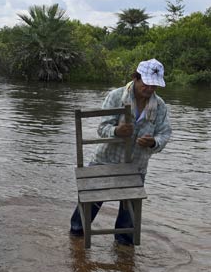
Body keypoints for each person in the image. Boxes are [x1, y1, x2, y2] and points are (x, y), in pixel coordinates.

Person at [70, 58, 172, 245]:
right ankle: (75, 240)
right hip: (105, 160)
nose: (149, 89)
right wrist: (117, 131)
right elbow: (102, 128)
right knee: (87, 207)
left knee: (128, 218)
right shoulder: (116, 96)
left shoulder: (160, 106)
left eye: (154, 86)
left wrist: (153, 143)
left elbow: (164, 134)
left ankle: (124, 251)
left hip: (136, 165)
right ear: (136, 78)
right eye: (146, 84)